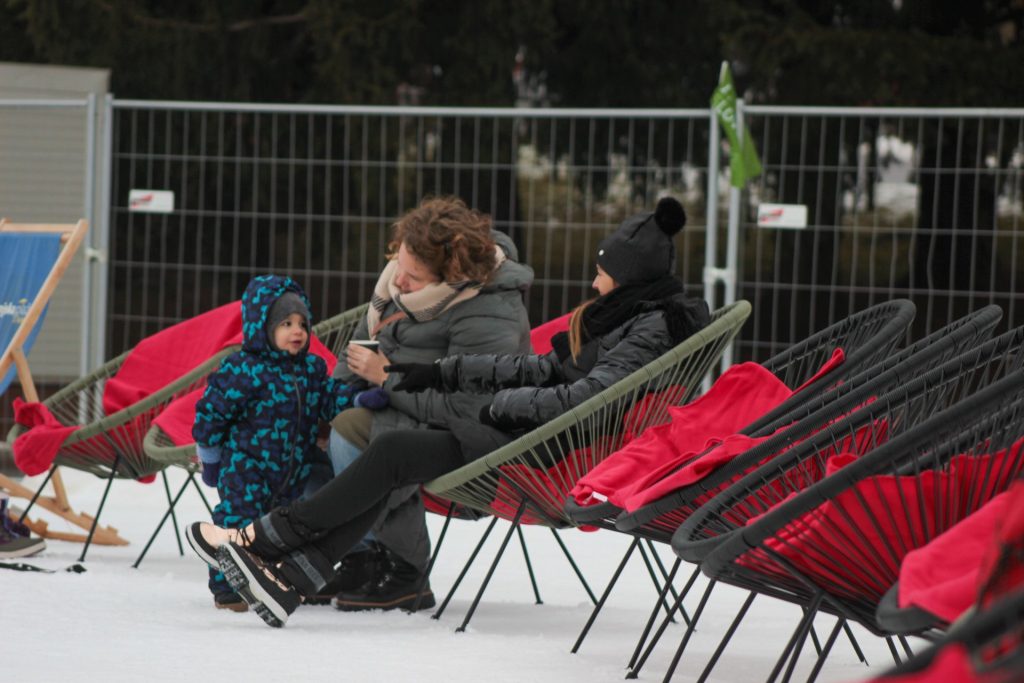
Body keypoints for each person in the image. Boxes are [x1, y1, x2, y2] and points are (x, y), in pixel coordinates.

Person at [187, 196, 710, 627]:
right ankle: (291, 573)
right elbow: (542, 368)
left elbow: (586, 399)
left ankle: (263, 539)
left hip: (546, 452)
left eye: (601, 273)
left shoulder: (651, 327)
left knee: (388, 449)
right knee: (390, 452)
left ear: (628, 278)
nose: (594, 284)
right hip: (524, 432)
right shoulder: (625, 316)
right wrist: (437, 372)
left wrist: (500, 405)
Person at [316, 196, 533, 611]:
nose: (398, 281)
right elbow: (359, 347)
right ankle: (359, 558)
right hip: (405, 407)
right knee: (315, 423)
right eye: (397, 263)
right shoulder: (400, 286)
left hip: (465, 433)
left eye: (412, 276)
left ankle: (403, 568)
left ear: (450, 276)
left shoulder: (490, 311)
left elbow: (467, 408)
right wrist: (325, 403)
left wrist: (386, 377)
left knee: (351, 431)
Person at [186, 274, 386, 612]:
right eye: (286, 323)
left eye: (302, 324)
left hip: (292, 474)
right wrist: (211, 458)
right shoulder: (242, 369)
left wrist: (358, 400)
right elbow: (211, 413)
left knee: (279, 531)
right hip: (246, 469)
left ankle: (270, 580)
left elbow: (329, 398)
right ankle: (228, 590)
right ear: (262, 327)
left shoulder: (310, 370)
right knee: (237, 522)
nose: (297, 331)